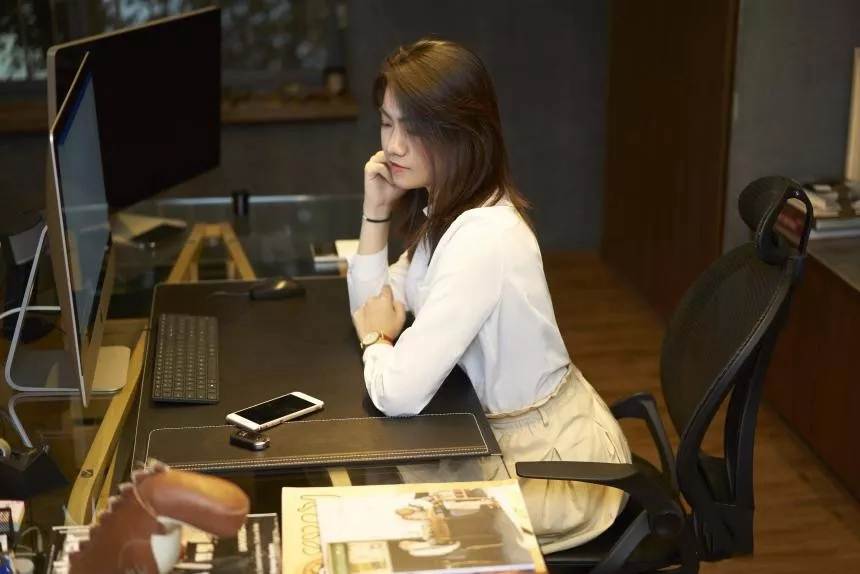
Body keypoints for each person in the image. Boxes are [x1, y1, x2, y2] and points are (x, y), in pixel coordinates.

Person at [347, 38, 631, 552]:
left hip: (549, 468)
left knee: (377, 523)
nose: (395, 146)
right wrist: (376, 211)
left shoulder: (482, 237)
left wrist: (376, 340)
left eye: (416, 128)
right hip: (496, 438)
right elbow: (373, 306)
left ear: (464, 132)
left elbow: (397, 391)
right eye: (388, 123)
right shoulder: (449, 209)